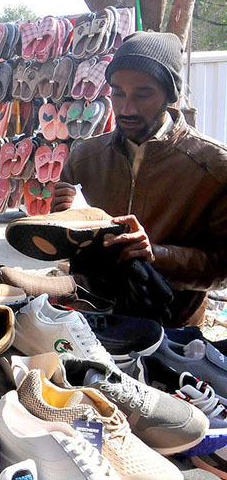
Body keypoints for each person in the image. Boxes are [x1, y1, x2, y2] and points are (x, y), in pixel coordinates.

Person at [51, 32, 227, 327]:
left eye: (142, 94)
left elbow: (222, 270)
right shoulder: (85, 158)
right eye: (117, 92)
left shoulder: (213, 166)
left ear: (171, 95)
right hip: (92, 323)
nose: (126, 108)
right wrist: (60, 225)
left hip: (172, 333)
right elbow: (68, 253)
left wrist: (157, 255)